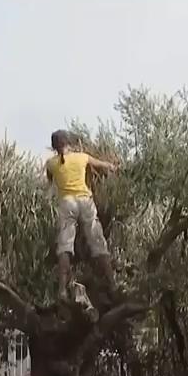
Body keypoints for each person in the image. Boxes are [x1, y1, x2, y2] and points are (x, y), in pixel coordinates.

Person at [45, 129, 119, 304]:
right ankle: (112, 284)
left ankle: (62, 290)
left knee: (64, 246)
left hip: (66, 203)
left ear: (54, 146)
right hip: (85, 201)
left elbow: (50, 182)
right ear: (69, 143)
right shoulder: (82, 157)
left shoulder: (51, 163)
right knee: (98, 243)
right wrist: (115, 167)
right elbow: (104, 166)